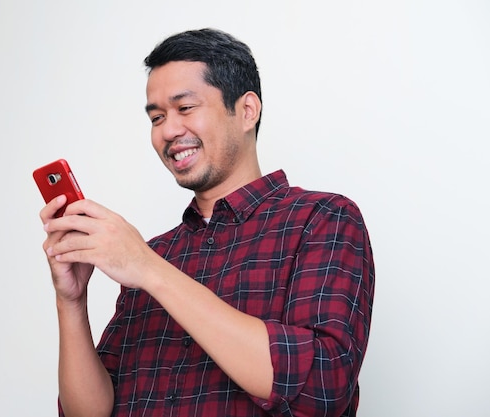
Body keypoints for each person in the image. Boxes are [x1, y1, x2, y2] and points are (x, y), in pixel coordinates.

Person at [40, 28, 375, 417]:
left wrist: (150, 270)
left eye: (185, 108)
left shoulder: (322, 219)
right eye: (157, 117)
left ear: (247, 110)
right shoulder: (155, 252)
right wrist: (71, 300)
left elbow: (324, 388)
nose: (168, 131)